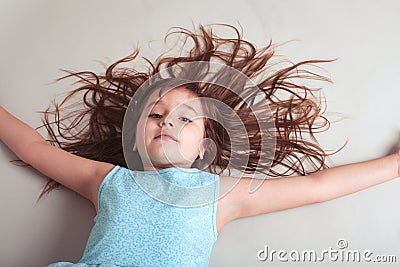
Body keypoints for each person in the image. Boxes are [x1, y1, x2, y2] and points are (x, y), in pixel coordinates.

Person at [0, 24, 399, 267]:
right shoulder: (108, 180)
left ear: (203, 147)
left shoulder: (220, 194)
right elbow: (33, 148)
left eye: (185, 117)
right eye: (155, 114)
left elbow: (317, 188)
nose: (167, 121)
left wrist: (395, 166)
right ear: (135, 138)